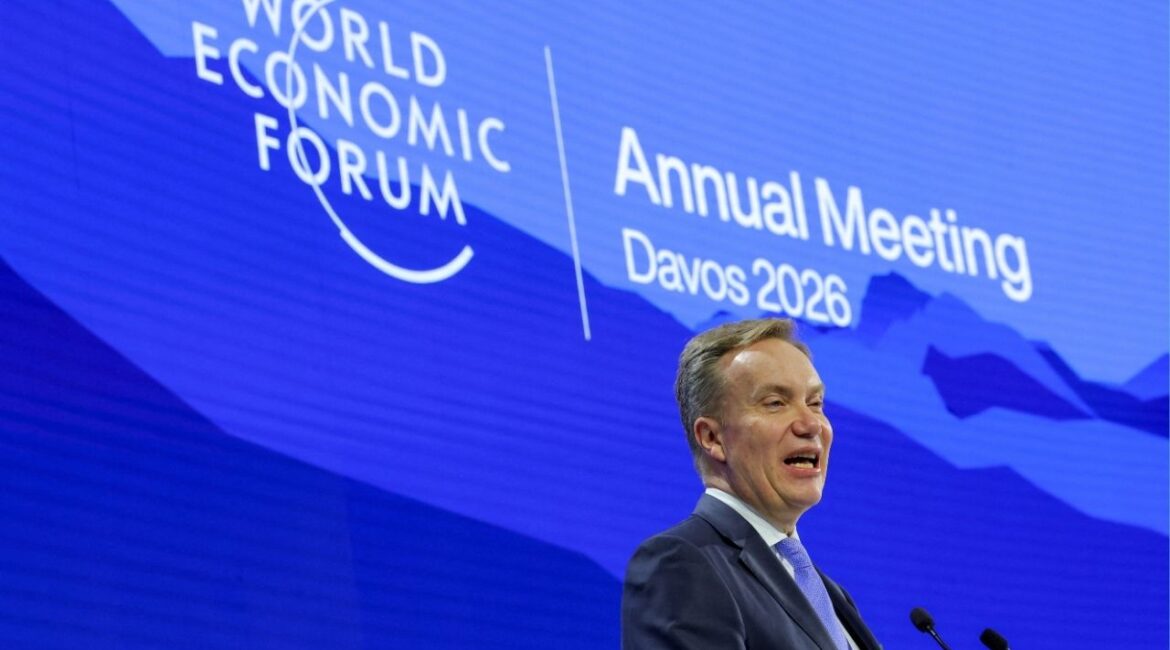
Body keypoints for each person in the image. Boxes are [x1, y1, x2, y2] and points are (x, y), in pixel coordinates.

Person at [621, 318, 881, 649]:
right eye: (776, 403)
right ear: (712, 438)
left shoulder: (831, 595)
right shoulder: (682, 564)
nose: (811, 424)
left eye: (815, 403)